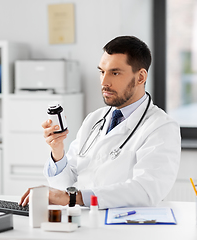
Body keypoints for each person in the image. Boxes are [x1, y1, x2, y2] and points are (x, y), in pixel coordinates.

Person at [20, 36, 181, 209]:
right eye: (102, 72)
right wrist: (58, 151)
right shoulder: (95, 119)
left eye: (115, 72)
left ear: (141, 77)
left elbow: (146, 190)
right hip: (84, 223)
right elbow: (66, 186)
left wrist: (74, 198)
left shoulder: (161, 127)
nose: (104, 82)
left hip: (127, 228)